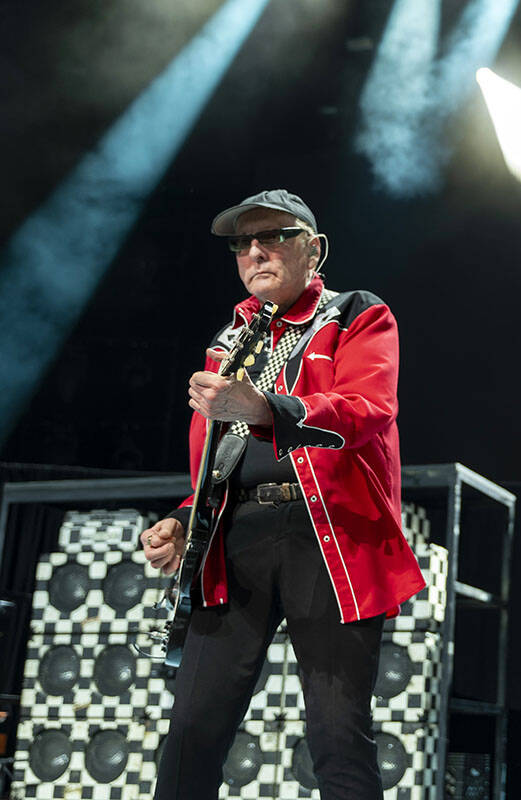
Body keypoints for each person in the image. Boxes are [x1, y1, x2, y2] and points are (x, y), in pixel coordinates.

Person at [139, 189, 424, 800]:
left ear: (314, 251)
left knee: (338, 734)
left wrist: (265, 407)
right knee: (191, 731)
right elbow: (225, 461)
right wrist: (185, 518)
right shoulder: (229, 340)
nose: (255, 251)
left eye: (275, 237)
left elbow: (367, 410)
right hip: (235, 539)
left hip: (327, 538)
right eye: (244, 243)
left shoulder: (357, 313)